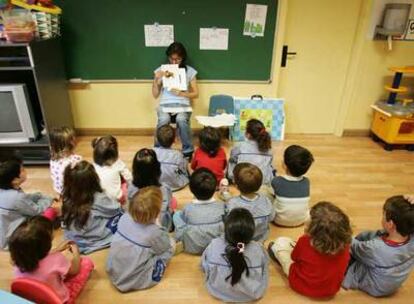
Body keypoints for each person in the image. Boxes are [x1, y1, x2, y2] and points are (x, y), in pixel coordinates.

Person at [268, 201, 352, 298]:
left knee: (280, 243)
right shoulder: (346, 246)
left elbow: (294, 257)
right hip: (331, 290)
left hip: (300, 284)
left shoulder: (305, 241)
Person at [9, 216, 94, 304]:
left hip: (29, 298)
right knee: (86, 263)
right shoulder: (57, 258)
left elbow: (36, 257)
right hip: (56, 300)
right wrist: (76, 251)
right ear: (45, 244)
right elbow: (74, 270)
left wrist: (56, 249)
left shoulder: (17, 259)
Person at [342, 195, 414, 297]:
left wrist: (341, 232)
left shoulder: (375, 248)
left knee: (343, 255)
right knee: (367, 235)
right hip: (390, 280)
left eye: (383, 214)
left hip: (376, 287)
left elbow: (354, 247)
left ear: (390, 224)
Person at [107, 186, 175, 292]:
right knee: (170, 245)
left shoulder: (124, 217)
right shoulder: (154, 233)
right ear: (156, 213)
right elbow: (165, 246)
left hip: (115, 269)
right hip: (135, 278)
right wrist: (159, 226)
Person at [201, 208, 269, 302]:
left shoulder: (214, 245)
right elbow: (264, 270)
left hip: (217, 292)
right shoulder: (258, 249)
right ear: (252, 231)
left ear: (226, 229)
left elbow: (204, 267)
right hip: (254, 294)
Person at [0, 154, 61, 249]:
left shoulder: (6, 190)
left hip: (6, 229)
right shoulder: (17, 197)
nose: (25, 171)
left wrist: (39, 195)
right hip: (15, 237)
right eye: (22, 170)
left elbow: (26, 198)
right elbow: (37, 211)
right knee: (51, 211)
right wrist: (49, 199)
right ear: (15, 180)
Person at [62, 161, 123, 254]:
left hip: (74, 237)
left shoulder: (67, 197)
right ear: (93, 179)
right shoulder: (98, 197)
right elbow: (115, 209)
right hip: (94, 237)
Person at [152, 42, 199, 160]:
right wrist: (157, 81)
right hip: (165, 104)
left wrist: (181, 93)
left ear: (183, 58)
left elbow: (196, 94)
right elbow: (155, 95)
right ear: (168, 57)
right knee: (164, 119)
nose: (174, 62)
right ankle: (158, 149)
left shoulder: (189, 71)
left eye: (177, 59)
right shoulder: (161, 70)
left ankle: (187, 151)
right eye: (171, 59)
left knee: (181, 119)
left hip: (182, 104)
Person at [173, 168, 225, 254]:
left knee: (177, 215)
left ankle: (180, 239)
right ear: (215, 188)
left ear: (191, 189)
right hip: (216, 246)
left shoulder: (188, 208)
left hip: (192, 247)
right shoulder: (221, 206)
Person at [226, 163, 275, 242]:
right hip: (260, 238)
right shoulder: (266, 201)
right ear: (259, 184)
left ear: (237, 186)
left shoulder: (231, 204)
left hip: (239, 237)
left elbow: (228, 221)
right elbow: (271, 217)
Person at [128, 148, 174, 231]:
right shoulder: (164, 189)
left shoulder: (131, 188)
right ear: (157, 170)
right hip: (160, 226)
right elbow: (168, 207)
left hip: (137, 224)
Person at [272, 145, 314, 227]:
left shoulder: (276, 181)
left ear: (285, 165)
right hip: (301, 220)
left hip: (279, 220)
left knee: (265, 192)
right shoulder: (307, 182)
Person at [227, 119, 274, 186]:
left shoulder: (239, 146)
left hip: (243, 182)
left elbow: (232, 160)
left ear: (248, 134)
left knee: (231, 161)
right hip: (262, 183)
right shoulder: (268, 149)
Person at [92, 135, 132, 203]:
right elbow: (130, 178)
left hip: (97, 201)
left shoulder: (92, 166)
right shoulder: (117, 163)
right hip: (116, 201)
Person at [154, 124, 189, 191]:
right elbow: (182, 169)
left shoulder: (153, 152)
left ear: (157, 139)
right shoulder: (178, 154)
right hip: (175, 184)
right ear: (174, 141)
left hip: (156, 182)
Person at [49, 126, 82, 194]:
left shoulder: (53, 159)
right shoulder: (76, 160)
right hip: (72, 192)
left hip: (58, 189)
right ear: (71, 143)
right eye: (73, 138)